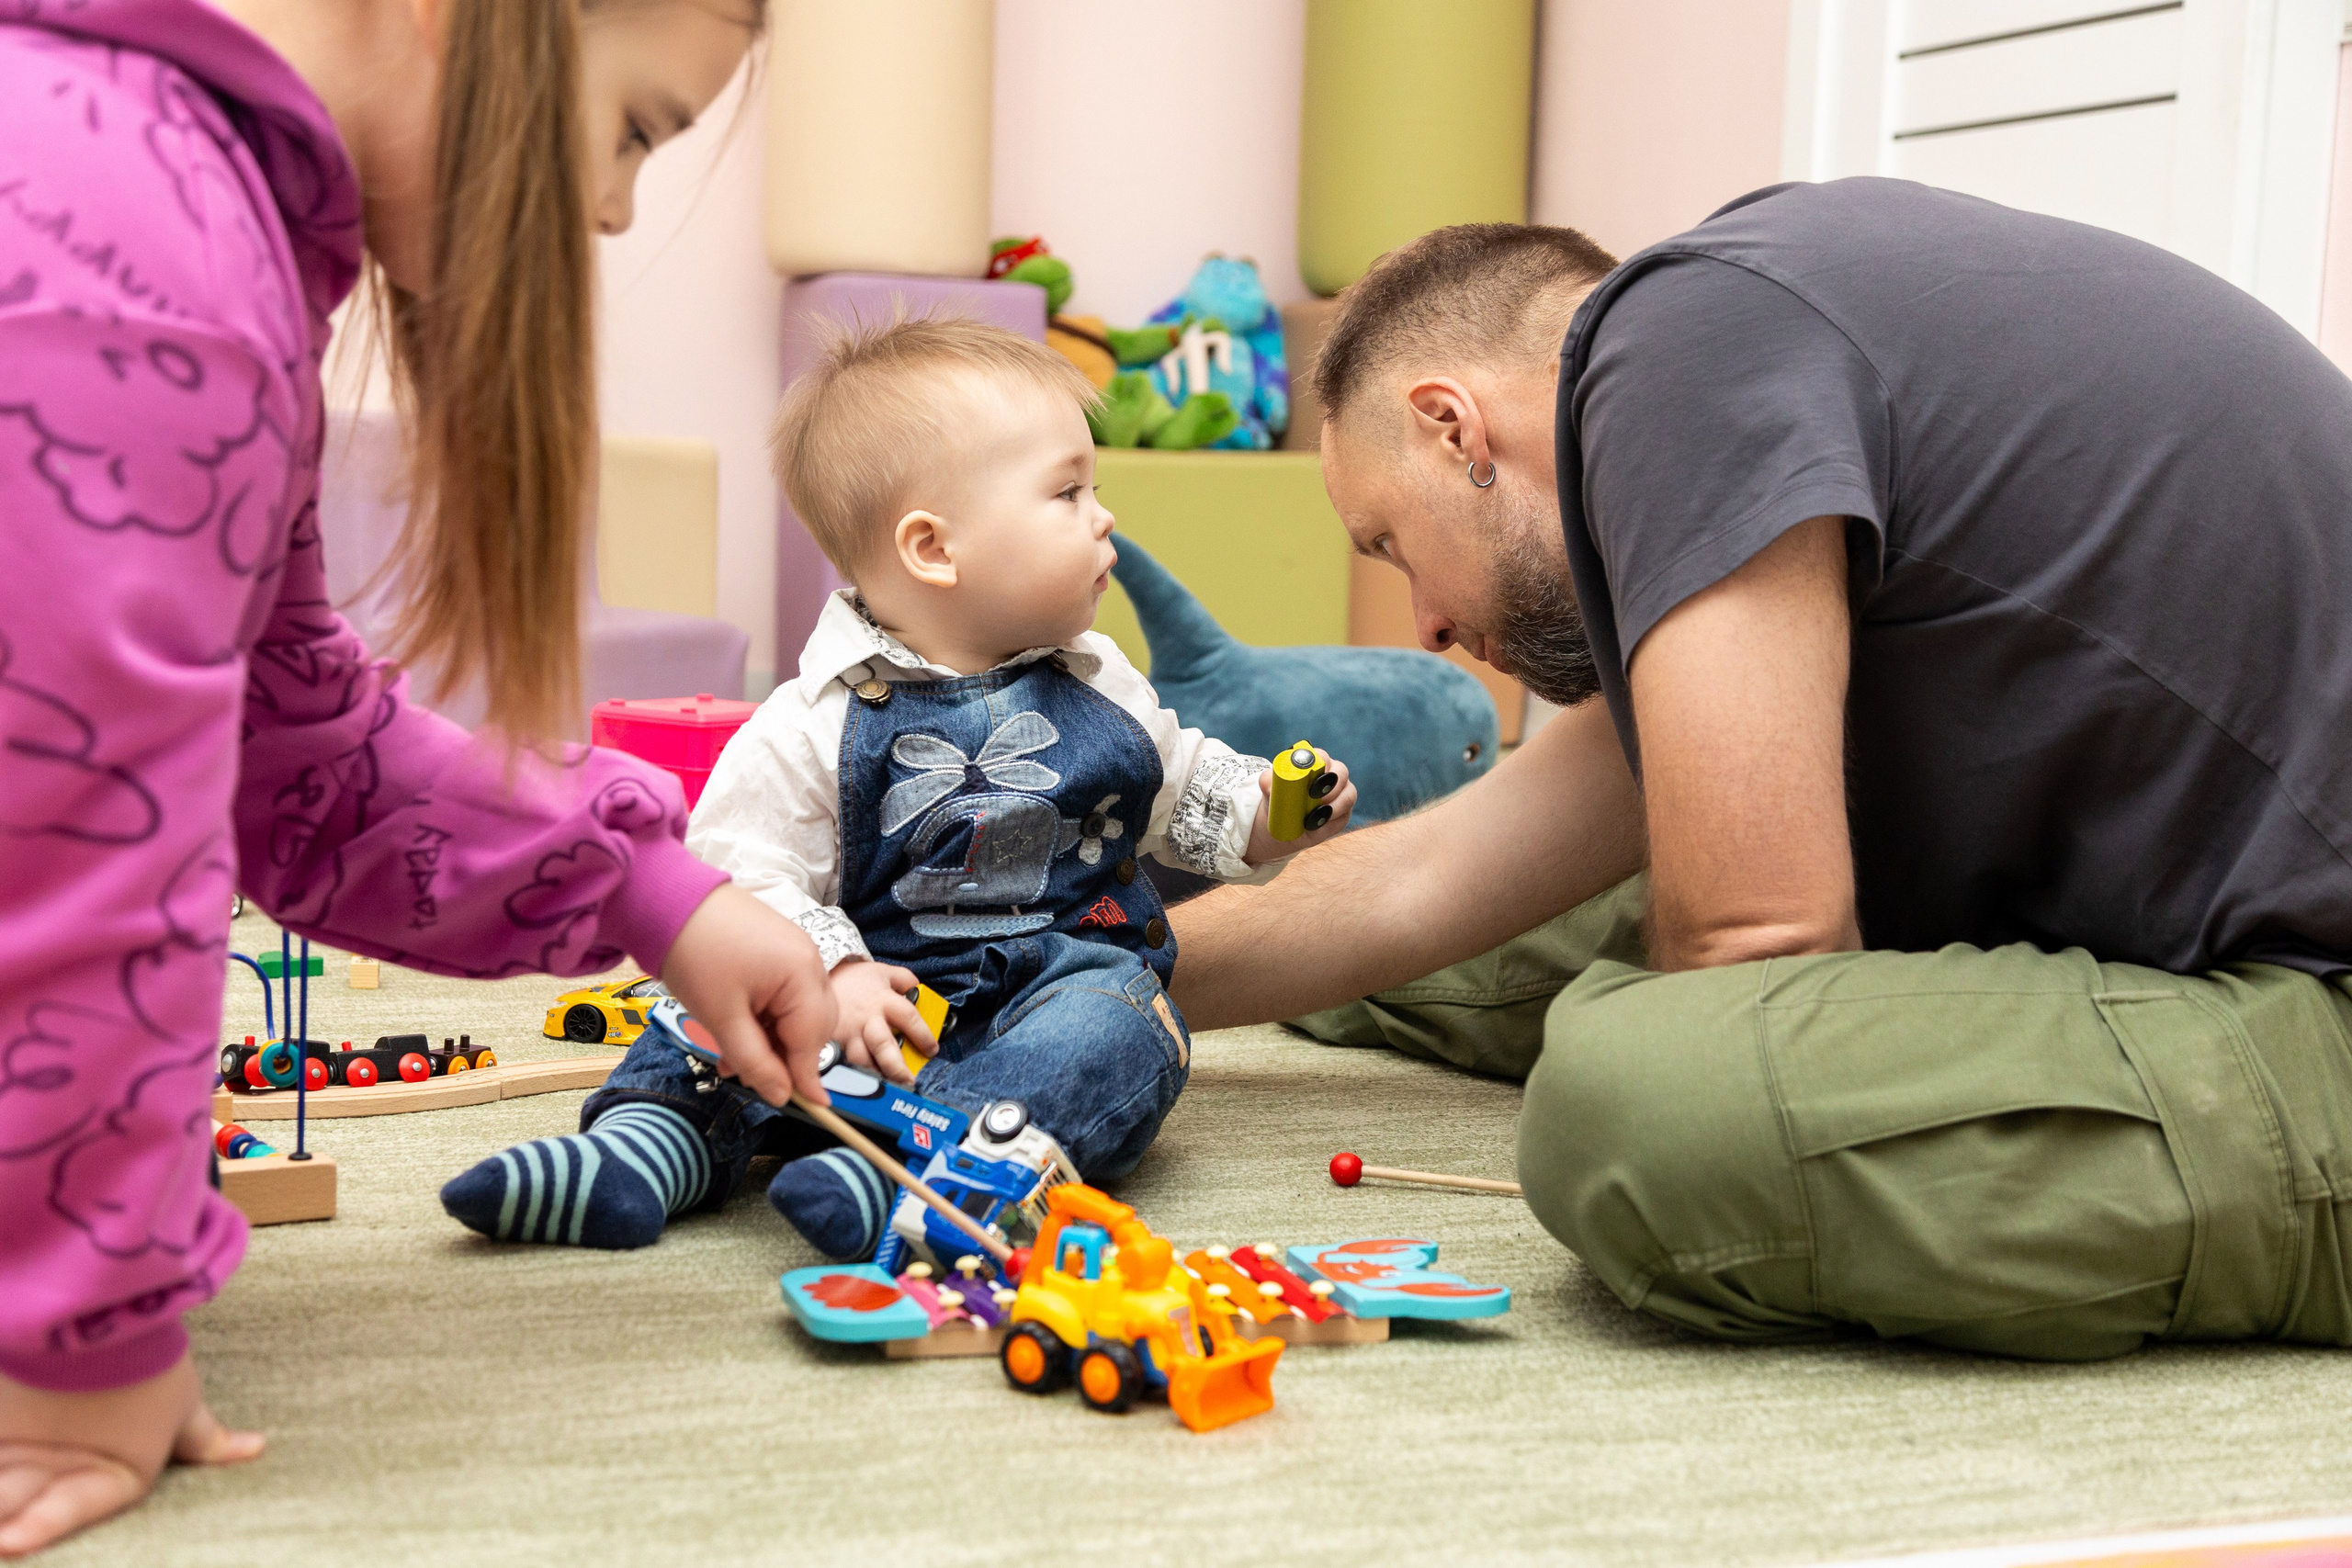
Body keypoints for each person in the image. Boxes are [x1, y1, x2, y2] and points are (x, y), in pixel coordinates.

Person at [1169, 178, 2352, 1363]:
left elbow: (1758, 950)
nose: (1422, 621)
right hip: (2198, 929)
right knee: (1505, 937)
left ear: (1454, 428)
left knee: (1641, 1105)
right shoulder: (1753, 348)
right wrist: (1084, 976)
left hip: (2322, 1006)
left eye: (1392, 545)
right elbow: (1427, 879)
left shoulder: (1675, 346)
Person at [0, 0, 838, 1555]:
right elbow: (74, 839)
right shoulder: (148, 260)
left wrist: (657, 892)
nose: (607, 210)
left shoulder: (174, 205)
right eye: (637, 132)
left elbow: (288, 745)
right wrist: (79, 1340)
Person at [438, 316, 1356, 1257]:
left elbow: (1178, 783)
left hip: (1045, 999)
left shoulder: (1099, 682)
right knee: (705, 1001)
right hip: (847, 1017)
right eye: (1067, 491)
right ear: (933, 547)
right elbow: (730, 875)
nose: (1103, 515)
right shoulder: (813, 721)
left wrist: (1264, 813)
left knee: (1124, 1029)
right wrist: (827, 973)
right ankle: (646, 1149)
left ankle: (927, 1177)